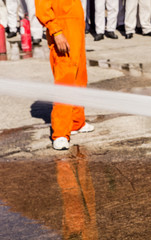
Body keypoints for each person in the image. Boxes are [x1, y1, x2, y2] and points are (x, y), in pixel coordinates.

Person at [35, 0, 94, 150]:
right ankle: (61, 133)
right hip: (63, 29)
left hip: (76, 28)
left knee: (79, 77)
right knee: (65, 81)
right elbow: (42, 8)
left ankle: (76, 122)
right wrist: (56, 31)